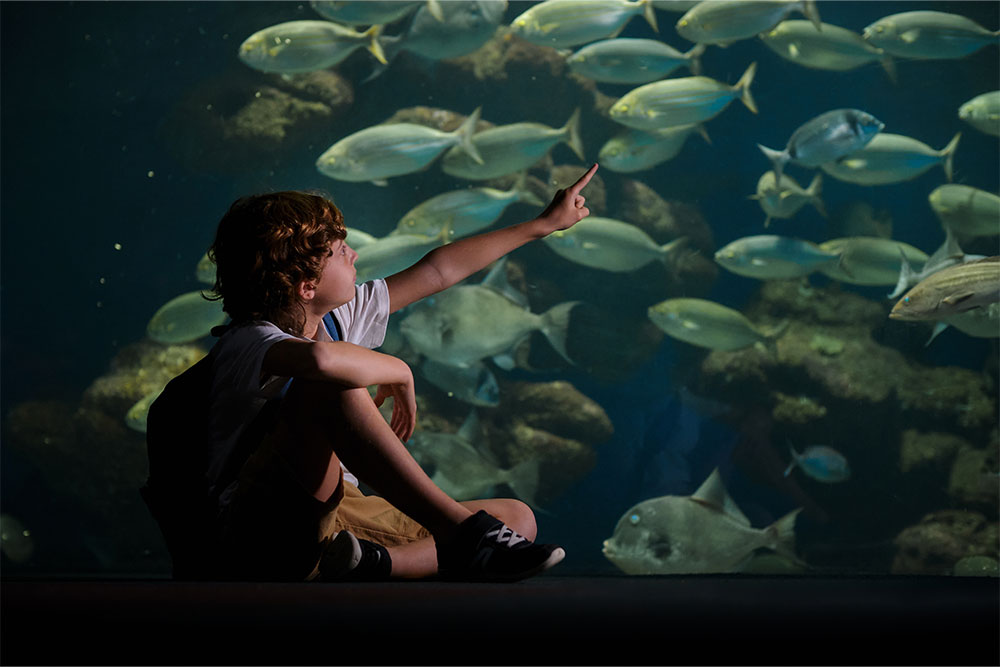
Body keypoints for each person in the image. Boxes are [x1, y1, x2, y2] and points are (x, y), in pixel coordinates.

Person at [202, 163, 599, 583]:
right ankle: (465, 534)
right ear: (306, 285)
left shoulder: (339, 317)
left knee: (518, 517)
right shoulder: (246, 343)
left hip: (342, 518)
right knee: (329, 387)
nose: (353, 255)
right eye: (340, 252)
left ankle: (374, 564)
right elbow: (319, 362)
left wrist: (540, 226)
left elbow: (438, 271)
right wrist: (399, 367)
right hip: (260, 528)